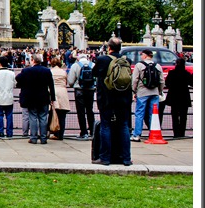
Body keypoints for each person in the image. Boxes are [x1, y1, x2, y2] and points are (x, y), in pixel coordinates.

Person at [92, 37, 133, 166]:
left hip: (107, 98)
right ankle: (126, 158)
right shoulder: (126, 61)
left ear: (109, 47)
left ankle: (105, 157)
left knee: (106, 126)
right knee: (124, 126)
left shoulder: (103, 60)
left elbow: (94, 73)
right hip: (124, 98)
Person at [15, 53, 56, 145]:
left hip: (31, 97)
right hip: (43, 97)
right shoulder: (46, 71)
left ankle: (33, 137)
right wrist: (53, 98)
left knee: (32, 117)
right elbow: (51, 85)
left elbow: (17, 78)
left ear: (33, 60)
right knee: (43, 117)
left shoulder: (26, 71)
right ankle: (43, 138)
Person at [131, 49, 164, 142]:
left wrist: (134, 91)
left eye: (142, 55)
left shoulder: (139, 65)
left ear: (145, 56)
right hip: (154, 92)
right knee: (153, 114)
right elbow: (161, 81)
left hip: (142, 92)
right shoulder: (158, 66)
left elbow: (134, 80)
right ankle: (153, 133)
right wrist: (159, 91)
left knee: (139, 114)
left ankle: (137, 134)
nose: (141, 56)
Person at [67, 53, 95, 140]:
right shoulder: (93, 65)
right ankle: (92, 130)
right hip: (90, 90)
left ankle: (83, 132)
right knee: (90, 110)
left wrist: (73, 85)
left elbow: (70, 81)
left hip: (79, 90)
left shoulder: (75, 65)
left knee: (81, 112)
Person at [163, 58, 192, 138]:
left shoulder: (172, 73)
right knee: (183, 116)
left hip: (174, 96)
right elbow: (192, 83)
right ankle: (182, 133)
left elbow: (167, 83)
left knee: (174, 116)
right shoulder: (186, 73)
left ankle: (176, 133)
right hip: (184, 96)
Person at [49, 57, 70, 140]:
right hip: (62, 92)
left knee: (52, 114)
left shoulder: (50, 71)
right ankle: (61, 134)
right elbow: (66, 82)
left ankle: (54, 132)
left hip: (53, 91)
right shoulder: (63, 72)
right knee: (62, 115)